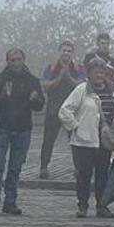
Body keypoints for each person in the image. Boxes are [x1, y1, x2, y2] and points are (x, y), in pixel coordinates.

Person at [0, 48, 45, 216]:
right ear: (7, 61)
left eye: (19, 59)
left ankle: (10, 201)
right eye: (12, 60)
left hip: (23, 128)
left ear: (23, 60)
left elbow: (40, 105)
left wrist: (35, 99)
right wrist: (4, 95)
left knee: (15, 168)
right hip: (2, 127)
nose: (16, 63)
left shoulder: (32, 81)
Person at [59, 58, 114, 218]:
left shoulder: (111, 91)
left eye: (102, 72)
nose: (99, 75)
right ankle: (83, 205)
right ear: (89, 73)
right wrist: (76, 127)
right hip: (84, 140)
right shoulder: (81, 90)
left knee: (103, 174)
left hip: (104, 141)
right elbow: (65, 110)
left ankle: (102, 205)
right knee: (84, 174)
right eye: (96, 72)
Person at [38, 42, 85, 179]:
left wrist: (68, 77)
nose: (66, 53)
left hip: (72, 109)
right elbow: (45, 86)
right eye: (64, 50)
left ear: (72, 53)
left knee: (76, 139)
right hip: (54, 107)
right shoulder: (50, 67)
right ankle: (43, 167)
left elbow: (81, 85)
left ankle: (78, 167)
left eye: (69, 51)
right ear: (59, 51)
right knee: (48, 139)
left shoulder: (78, 68)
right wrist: (60, 78)